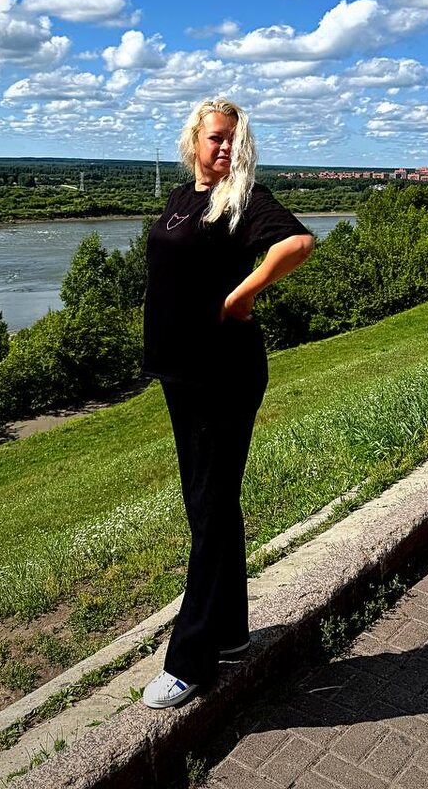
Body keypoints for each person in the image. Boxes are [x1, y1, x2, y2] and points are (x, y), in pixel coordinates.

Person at [141, 98, 315, 709]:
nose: (225, 148)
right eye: (216, 137)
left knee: (211, 508)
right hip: (181, 374)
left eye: (233, 140)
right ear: (194, 140)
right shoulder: (182, 198)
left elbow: (298, 243)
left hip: (223, 374)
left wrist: (241, 297)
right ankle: (233, 632)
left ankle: (191, 661)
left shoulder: (245, 199)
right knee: (208, 504)